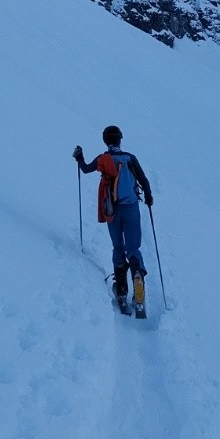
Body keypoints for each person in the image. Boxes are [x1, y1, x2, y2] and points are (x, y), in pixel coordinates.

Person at [73, 126, 153, 309]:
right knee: (133, 248)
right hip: (131, 208)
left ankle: (122, 291)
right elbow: (144, 180)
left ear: (105, 140)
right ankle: (138, 277)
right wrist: (148, 197)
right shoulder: (130, 158)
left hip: (112, 210)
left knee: (118, 247)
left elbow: (85, 169)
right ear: (120, 140)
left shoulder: (103, 159)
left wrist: (79, 157)